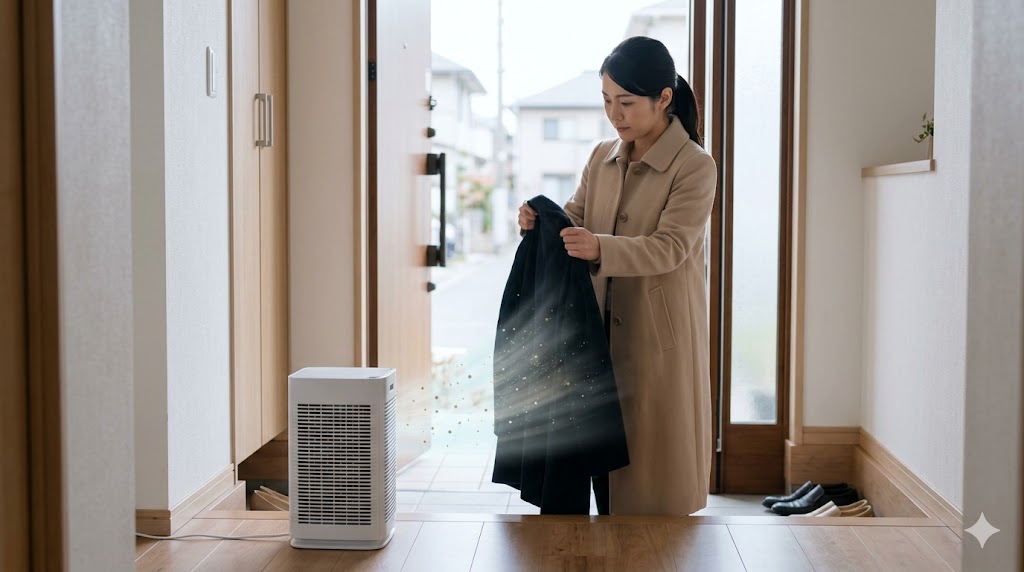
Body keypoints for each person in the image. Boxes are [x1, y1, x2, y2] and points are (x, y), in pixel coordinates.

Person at [517, 36, 717, 516]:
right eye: (607, 101)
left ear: (664, 98)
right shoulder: (601, 156)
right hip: (594, 326)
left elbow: (672, 247)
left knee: (648, 476)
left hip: (655, 333)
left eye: (626, 102)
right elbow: (575, 217)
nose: (615, 113)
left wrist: (600, 247)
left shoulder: (694, 165)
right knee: (596, 453)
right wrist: (538, 220)